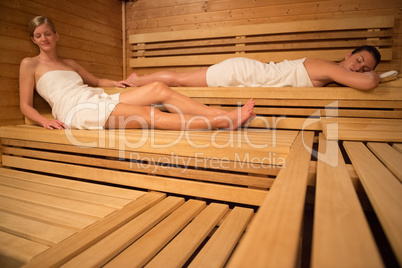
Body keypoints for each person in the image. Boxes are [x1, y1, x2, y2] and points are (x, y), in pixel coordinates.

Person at [20, 16, 255, 131]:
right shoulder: (29, 64)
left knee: (158, 89)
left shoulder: (69, 62)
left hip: (95, 96)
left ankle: (222, 114)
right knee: (148, 113)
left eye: (48, 33)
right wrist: (44, 121)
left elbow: (95, 81)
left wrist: (116, 82)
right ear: (34, 40)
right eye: (39, 35)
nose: (44, 38)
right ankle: (218, 121)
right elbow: (25, 104)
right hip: (75, 109)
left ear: (56, 35)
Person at [124, 46, 381, 91]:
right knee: (180, 80)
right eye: (358, 61)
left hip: (247, 73)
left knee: (181, 79)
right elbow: (368, 83)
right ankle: (135, 81)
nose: (358, 68)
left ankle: (139, 80)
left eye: (365, 67)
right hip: (242, 73)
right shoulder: (329, 67)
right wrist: (378, 74)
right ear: (348, 55)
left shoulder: (333, 73)